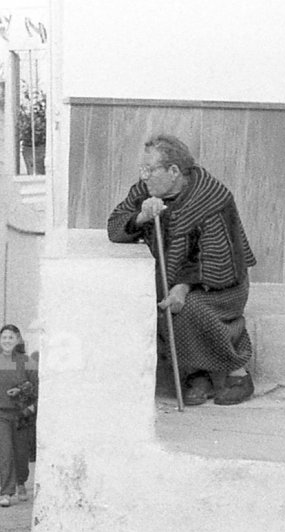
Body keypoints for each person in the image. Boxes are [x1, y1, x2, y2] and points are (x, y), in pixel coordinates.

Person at [108, 133, 257, 406]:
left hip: (220, 286)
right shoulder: (146, 192)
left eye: (150, 170)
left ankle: (238, 373)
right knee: (157, 304)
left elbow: (215, 258)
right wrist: (142, 216)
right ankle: (197, 375)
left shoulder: (212, 197)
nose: (144, 177)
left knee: (187, 308)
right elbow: (115, 226)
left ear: (174, 171)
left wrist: (182, 287)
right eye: (143, 170)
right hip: (170, 279)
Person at [0, 325, 37, 508]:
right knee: (5, 453)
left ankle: (20, 482)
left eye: (11, 337)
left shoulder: (26, 361)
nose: (7, 341)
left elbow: (36, 388)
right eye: (4, 337)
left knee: (21, 454)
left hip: (21, 414)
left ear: (17, 340)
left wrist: (20, 390)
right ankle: (6, 492)